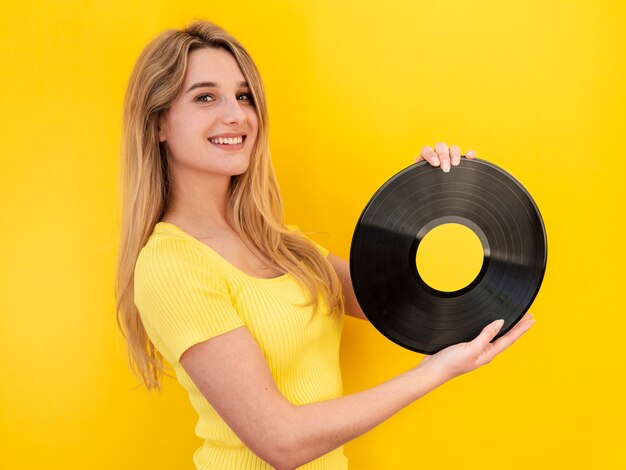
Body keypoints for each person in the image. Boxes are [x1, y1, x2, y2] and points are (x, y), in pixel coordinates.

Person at [115, 20, 535, 470]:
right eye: (205, 97)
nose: (237, 115)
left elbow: (400, 302)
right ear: (159, 122)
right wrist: (434, 373)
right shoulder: (171, 266)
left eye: (243, 96)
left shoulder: (282, 244)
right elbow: (282, 443)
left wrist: (429, 195)